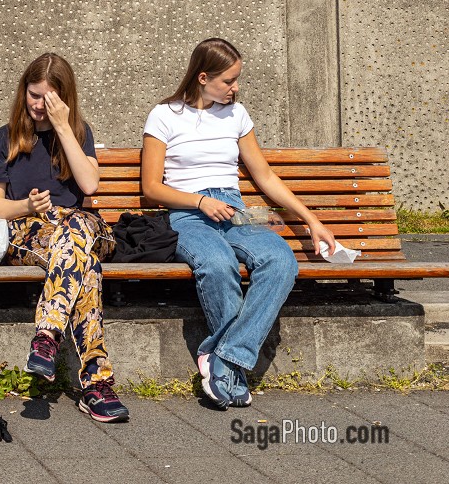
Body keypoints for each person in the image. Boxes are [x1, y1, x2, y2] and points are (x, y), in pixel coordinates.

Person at [142, 36, 337, 408]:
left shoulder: (237, 115)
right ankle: (230, 371)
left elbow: (264, 176)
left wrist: (311, 220)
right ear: (202, 77)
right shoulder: (164, 115)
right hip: (188, 214)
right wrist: (200, 200)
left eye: (237, 79)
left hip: (235, 212)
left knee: (281, 261)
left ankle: (224, 358)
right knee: (217, 265)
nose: (236, 87)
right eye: (228, 80)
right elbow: (151, 188)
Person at [0, 52, 129, 424]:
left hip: (78, 226)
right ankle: (97, 384)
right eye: (34, 95)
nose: (38, 105)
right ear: (23, 92)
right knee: (88, 268)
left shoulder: (78, 133)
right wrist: (26, 206)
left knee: (77, 232)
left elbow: (89, 184)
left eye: (48, 99)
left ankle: (47, 334)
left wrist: (64, 128)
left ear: (64, 99)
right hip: (31, 231)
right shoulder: (7, 137)